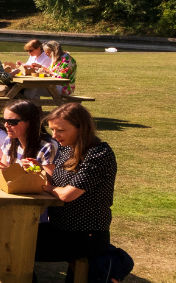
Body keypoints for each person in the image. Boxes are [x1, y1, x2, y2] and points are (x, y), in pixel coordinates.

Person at [33, 103, 133, 283]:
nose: (54, 136)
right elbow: (57, 178)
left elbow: (67, 195)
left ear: (81, 128)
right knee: (17, 236)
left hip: (85, 235)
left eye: (60, 130)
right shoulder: (67, 148)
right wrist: (36, 168)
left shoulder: (98, 154)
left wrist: (47, 188)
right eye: (53, 130)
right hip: (61, 228)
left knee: (19, 244)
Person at [0, 100, 56, 176]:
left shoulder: (47, 147)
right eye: (4, 120)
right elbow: (4, 167)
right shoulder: (9, 141)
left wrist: (36, 169)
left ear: (29, 123)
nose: (6, 125)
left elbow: (49, 181)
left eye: (12, 122)